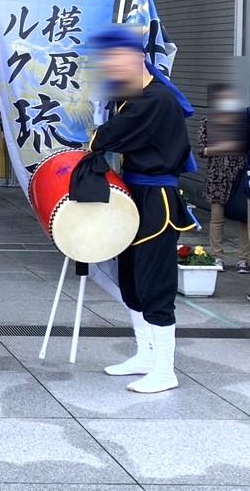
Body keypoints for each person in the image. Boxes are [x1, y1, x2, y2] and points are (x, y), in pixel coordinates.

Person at [87, 25, 198, 394]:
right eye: (108, 60)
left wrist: (99, 129)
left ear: (138, 57)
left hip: (156, 200)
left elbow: (103, 138)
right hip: (135, 193)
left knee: (155, 284)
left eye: (118, 57)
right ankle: (145, 355)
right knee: (132, 281)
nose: (111, 66)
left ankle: (165, 370)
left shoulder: (155, 100)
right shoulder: (132, 95)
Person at [198, 83, 250, 272]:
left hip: (240, 177)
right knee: (216, 218)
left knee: (244, 218)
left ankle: (243, 259)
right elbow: (202, 150)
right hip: (218, 178)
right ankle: (217, 256)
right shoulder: (208, 122)